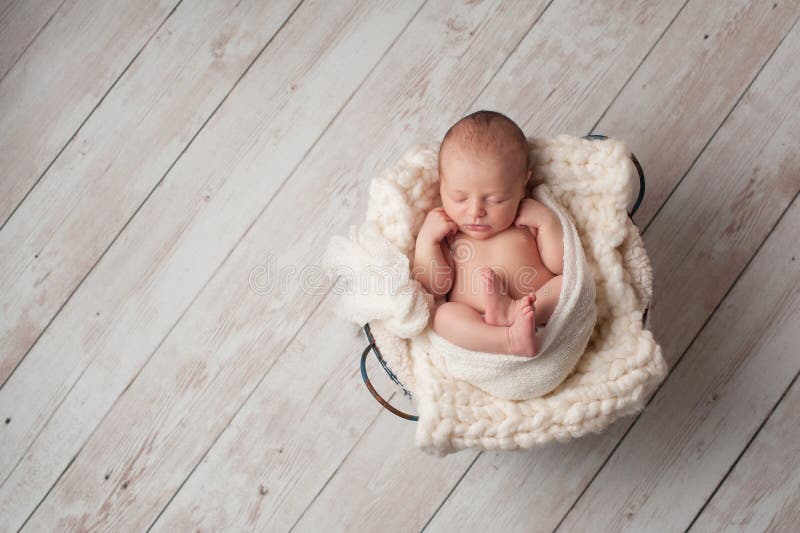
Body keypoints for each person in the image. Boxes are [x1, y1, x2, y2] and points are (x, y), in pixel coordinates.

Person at [412, 110, 564, 357]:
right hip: (479, 327)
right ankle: (507, 340)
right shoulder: (449, 232)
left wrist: (548, 224)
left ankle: (514, 314)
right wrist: (427, 241)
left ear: (521, 186)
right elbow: (434, 287)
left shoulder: (528, 219)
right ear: (441, 184)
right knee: (444, 317)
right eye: (459, 198)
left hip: (538, 314)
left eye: (496, 200)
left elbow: (562, 266)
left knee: (568, 284)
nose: (475, 212)